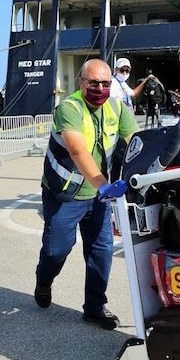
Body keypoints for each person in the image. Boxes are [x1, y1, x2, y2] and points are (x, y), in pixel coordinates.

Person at [35, 58, 138, 330]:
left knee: (101, 251)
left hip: (100, 197)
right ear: (81, 82)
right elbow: (77, 151)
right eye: (93, 83)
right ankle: (44, 280)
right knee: (56, 250)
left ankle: (94, 307)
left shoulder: (117, 107)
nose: (100, 88)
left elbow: (136, 143)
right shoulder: (69, 108)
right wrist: (103, 184)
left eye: (105, 83)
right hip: (65, 194)